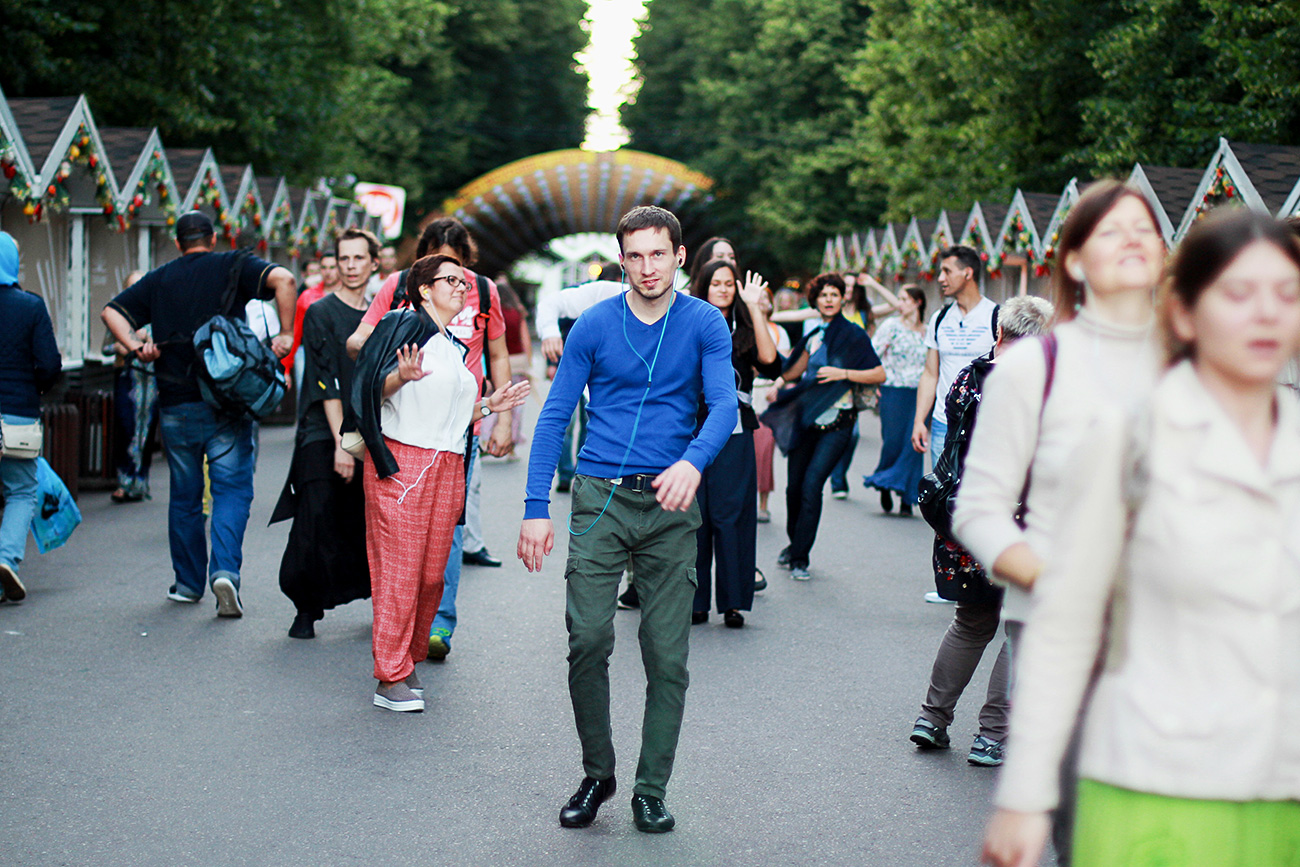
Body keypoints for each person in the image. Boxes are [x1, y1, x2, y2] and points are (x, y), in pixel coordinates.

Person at [982, 208, 1300, 867]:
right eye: (1239, 293)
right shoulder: (1131, 437)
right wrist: (1027, 793)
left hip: (1283, 790)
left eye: (1288, 293)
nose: (1267, 313)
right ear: (1184, 314)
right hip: (1156, 782)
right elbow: (1064, 627)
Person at [953, 181, 1165, 864]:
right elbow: (979, 510)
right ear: (1072, 261)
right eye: (1111, 230)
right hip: (1058, 618)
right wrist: (1055, 576)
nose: (1133, 239)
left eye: (1145, 228)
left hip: (1174, 624)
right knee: (1089, 822)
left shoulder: (1194, 362)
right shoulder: (1034, 369)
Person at [518, 206, 735, 834]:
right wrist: (537, 508)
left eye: (658, 254)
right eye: (635, 256)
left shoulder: (705, 323)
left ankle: (650, 787)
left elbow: (723, 403)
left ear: (679, 256)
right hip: (600, 497)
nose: (647, 267)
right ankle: (598, 773)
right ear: (621, 260)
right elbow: (556, 414)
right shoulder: (592, 325)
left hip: (671, 505)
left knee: (667, 656)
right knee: (586, 638)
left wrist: (694, 463)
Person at [353, 253, 528, 711]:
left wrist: (492, 405)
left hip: (449, 462)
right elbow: (369, 386)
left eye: (464, 281)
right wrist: (399, 376)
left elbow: (451, 412)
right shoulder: (402, 325)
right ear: (424, 288)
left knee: (432, 574)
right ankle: (389, 676)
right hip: (404, 460)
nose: (461, 287)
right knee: (399, 571)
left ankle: (405, 661)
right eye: (450, 280)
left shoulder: (453, 345)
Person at [102, 211, 296, 617]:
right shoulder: (234, 265)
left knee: (186, 495)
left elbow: (112, 313)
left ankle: (188, 583)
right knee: (231, 489)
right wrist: (286, 333)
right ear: (212, 237)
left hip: (175, 404)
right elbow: (285, 281)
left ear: (178, 242)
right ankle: (225, 570)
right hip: (226, 401)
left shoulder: (159, 278)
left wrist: (138, 348)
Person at [908, 296, 1053, 770]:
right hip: (1023, 522)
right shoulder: (1040, 386)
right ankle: (992, 736)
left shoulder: (971, 375)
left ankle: (933, 718)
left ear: (999, 333)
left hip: (967, 516)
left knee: (970, 622)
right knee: (1020, 629)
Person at [272, 228, 378, 639]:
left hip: (368, 432)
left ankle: (378, 597)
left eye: (358, 258)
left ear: (373, 262)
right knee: (315, 516)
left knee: (365, 521)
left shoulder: (382, 316)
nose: (351, 266)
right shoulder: (320, 312)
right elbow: (325, 380)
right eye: (344, 258)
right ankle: (305, 607)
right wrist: (340, 443)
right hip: (323, 429)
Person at [761, 273, 884, 580]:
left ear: (843, 299)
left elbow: (878, 373)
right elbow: (792, 371)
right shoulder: (814, 334)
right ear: (815, 300)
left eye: (834, 294)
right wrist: (778, 383)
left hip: (838, 423)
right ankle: (794, 544)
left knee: (812, 485)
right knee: (793, 489)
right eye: (823, 295)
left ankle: (800, 557)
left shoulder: (854, 334)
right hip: (806, 420)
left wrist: (844, 373)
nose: (828, 299)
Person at [689, 259, 780, 628]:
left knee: (731, 515)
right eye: (716, 283)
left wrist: (756, 309)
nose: (723, 289)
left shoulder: (744, 326)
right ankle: (693, 600)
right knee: (694, 516)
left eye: (729, 283)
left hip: (737, 429)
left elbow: (772, 364)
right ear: (704, 286)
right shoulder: (688, 320)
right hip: (692, 427)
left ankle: (733, 601)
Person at [909, 245, 999, 603]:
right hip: (944, 426)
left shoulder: (995, 317)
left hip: (983, 425)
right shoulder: (939, 318)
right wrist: (920, 419)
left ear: (968, 273)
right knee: (944, 503)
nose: (940, 278)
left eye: (947, 271)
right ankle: (952, 582)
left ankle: (984, 578)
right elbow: (931, 372)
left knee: (981, 499)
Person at [0, 231, 62, 603]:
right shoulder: (30, 306)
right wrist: (36, 387)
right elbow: (50, 364)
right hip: (18, 416)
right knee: (21, 491)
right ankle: (5, 559)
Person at [862, 286, 928, 515]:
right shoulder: (891, 326)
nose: (900, 303)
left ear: (918, 302)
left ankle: (907, 498)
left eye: (904, 299)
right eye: (898, 299)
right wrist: (873, 382)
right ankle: (885, 483)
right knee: (893, 442)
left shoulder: (927, 331)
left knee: (914, 445)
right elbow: (872, 354)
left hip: (920, 394)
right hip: (893, 391)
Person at [105, 271, 159, 503]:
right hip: (128, 377)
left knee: (146, 429)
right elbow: (106, 347)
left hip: (151, 379)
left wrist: (148, 341)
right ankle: (125, 480)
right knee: (126, 426)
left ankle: (140, 481)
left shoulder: (159, 314)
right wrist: (121, 346)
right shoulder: (119, 314)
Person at [479, 276, 532, 459]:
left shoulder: (493, 312)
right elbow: (525, 340)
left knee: (493, 402)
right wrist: (529, 365)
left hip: (497, 363)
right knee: (515, 407)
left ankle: (486, 440)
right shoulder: (518, 312)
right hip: (518, 363)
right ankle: (511, 446)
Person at [753, 284, 791, 524]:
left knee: (765, 453)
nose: (763, 302)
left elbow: (785, 366)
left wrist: (777, 386)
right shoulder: (744, 329)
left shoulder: (779, 332)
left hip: (769, 396)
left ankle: (763, 503)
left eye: (766, 298)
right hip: (747, 395)